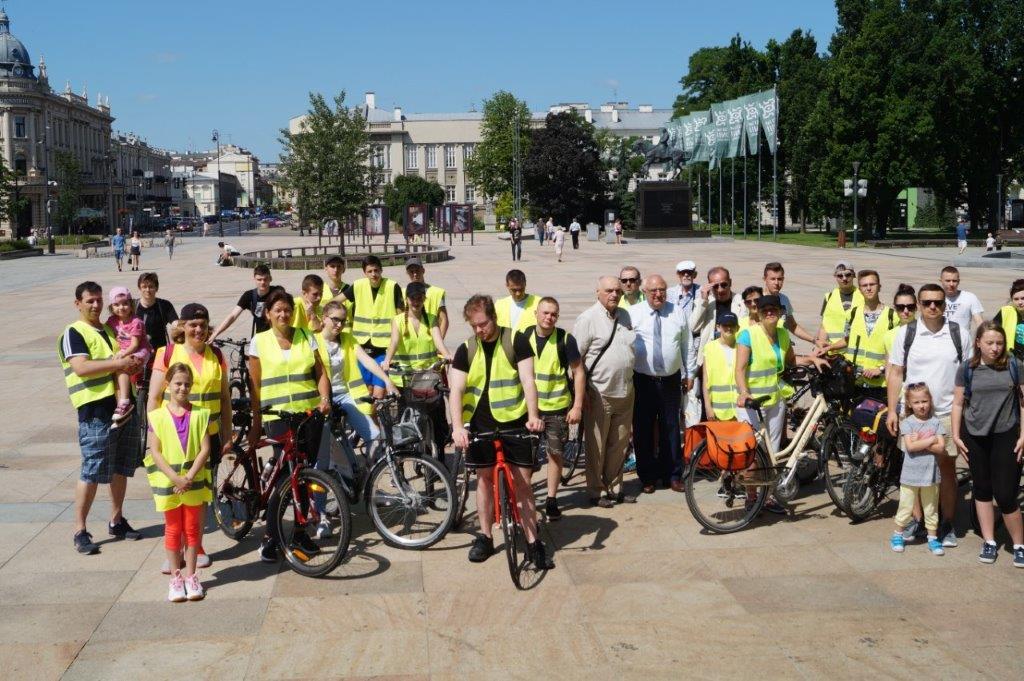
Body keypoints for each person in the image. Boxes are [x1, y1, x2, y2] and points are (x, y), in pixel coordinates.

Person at [448, 294, 553, 569]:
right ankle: (484, 536)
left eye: (483, 324)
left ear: (494, 317)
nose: (479, 330)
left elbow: (528, 380)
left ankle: (533, 541)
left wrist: (533, 416)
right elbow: (456, 390)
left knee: (523, 483)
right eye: (474, 326)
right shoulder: (466, 349)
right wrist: (458, 427)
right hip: (480, 424)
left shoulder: (515, 340)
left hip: (515, 421)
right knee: (483, 479)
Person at [59, 281, 145, 555]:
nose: (95, 305)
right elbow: (81, 367)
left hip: (123, 406)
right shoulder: (74, 332)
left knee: (121, 466)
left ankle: (117, 519)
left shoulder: (109, 328)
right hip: (94, 410)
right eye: (90, 301)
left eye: (98, 300)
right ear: (78, 304)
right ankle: (80, 530)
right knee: (92, 469)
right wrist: (120, 363)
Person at [247, 290, 332, 562]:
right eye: (278, 310)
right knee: (285, 477)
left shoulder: (307, 335)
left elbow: (320, 371)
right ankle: (271, 537)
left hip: (308, 416)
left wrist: (325, 398)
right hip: (277, 417)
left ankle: (299, 532)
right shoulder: (259, 342)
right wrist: (256, 422)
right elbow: (255, 386)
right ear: (268, 314)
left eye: (287, 310)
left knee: (304, 476)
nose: (283, 314)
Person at [886, 283, 972, 549]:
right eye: (926, 303)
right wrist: (892, 409)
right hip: (913, 417)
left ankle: (945, 523)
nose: (932, 306)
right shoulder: (907, 333)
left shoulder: (960, 334)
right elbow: (897, 372)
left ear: (945, 304)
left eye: (938, 302)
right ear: (919, 305)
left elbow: (969, 375)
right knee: (914, 470)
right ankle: (918, 521)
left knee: (946, 472)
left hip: (947, 415)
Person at [148, 303, 231, 574]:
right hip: (172, 436)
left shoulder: (216, 354)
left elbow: (225, 398)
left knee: (200, 491)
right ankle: (175, 548)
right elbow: (153, 398)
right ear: (182, 326)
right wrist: (153, 432)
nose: (198, 329)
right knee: (173, 491)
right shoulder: (167, 352)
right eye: (192, 324)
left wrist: (228, 433)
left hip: (208, 435)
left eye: (203, 324)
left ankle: (197, 546)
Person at [734, 295, 828, 513]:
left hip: (775, 401)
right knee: (752, 452)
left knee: (772, 451)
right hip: (752, 403)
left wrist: (813, 358)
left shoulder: (783, 334)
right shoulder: (748, 335)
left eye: (774, 309)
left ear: (780, 312)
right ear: (758, 312)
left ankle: (766, 497)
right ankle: (751, 496)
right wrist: (744, 392)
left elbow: (791, 362)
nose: (770, 313)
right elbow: (739, 369)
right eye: (765, 309)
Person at [951, 322, 1024, 566]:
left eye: (999, 343)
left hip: (1006, 435)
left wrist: (1023, 435)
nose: (995, 348)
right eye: (990, 343)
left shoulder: (1014, 366)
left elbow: (1023, 404)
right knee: (981, 489)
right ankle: (989, 541)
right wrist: (956, 434)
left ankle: (1019, 545)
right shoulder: (967, 369)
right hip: (975, 435)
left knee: (1006, 494)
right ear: (978, 343)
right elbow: (958, 403)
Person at [145, 362, 212, 601]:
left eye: (186, 384)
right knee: (173, 528)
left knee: (193, 528)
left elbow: (205, 449)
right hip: (169, 483)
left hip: (192, 482)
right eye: (177, 383)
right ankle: (176, 577)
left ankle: (192, 575)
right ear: (168, 385)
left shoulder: (201, 414)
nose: (182, 388)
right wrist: (175, 478)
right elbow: (155, 451)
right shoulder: (157, 416)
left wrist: (189, 476)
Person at [519, 297, 586, 519]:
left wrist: (577, 406)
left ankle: (551, 498)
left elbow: (578, 372)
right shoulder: (523, 337)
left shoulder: (565, 339)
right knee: (524, 458)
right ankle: (523, 499)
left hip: (557, 409)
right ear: (536, 314)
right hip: (528, 410)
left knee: (555, 455)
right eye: (545, 313)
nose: (549, 318)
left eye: (554, 314)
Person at [573, 276, 636, 504]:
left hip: (625, 391)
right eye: (609, 290)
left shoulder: (625, 315)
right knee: (597, 445)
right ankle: (596, 489)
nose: (614, 295)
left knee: (619, 444)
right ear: (597, 292)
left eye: (618, 291)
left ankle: (615, 486)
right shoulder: (587, 319)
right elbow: (576, 360)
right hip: (599, 393)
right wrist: (581, 395)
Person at [629, 274, 694, 494]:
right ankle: (647, 476)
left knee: (671, 427)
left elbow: (687, 345)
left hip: (670, 379)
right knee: (643, 428)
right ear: (644, 292)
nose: (659, 294)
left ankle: (672, 475)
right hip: (643, 380)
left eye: (663, 290)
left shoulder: (677, 312)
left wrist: (690, 373)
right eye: (654, 290)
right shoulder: (633, 313)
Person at [383, 282, 451, 457]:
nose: (416, 301)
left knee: (436, 421)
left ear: (424, 299)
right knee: (404, 423)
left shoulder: (430, 318)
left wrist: (447, 355)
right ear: (407, 300)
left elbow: (438, 341)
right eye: (413, 298)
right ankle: (401, 462)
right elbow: (394, 342)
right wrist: (387, 361)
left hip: (428, 377)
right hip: (406, 379)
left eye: (420, 297)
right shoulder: (398, 320)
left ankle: (440, 460)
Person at [820, 270, 898, 399]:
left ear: (879, 287)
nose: (868, 288)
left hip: (879, 385)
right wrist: (829, 347)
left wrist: (882, 369)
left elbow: (898, 352)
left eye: (872, 284)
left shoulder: (892, 316)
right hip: (854, 382)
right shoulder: (852, 313)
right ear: (860, 289)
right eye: (864, 285)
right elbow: (848, 339)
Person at [890, 383, 947, 556]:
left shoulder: (936, 422)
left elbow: (941, 448)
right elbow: (910, 447)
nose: (921, 405)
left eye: (924, 401)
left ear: (930, 401)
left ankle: (932, 538)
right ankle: (897, 535)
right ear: (909, 404)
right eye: (916, 402)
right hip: (910, 476)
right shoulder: (907, 423)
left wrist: (921, 442)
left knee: (931, 508)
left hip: (931, 475)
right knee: (905, 506)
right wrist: (930, 441)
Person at [689, 267, 747, 423]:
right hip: (710, 360)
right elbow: (693, 327)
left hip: (733, 358)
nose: (720, 290)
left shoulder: (740, 302)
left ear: (730, 283)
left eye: (724, 285)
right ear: (709, 286)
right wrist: (703, 301)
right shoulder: (706, 301)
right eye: (715, 286)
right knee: (707, 407)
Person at [350, 255, 404, 398]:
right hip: (362, 351)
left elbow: (401, 316)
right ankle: (374, 421)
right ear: (364, 272)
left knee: (379, 395)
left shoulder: (392, 286)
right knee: (366, 395)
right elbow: (337, 302)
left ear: (381, 270)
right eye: (370, 271)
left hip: (383, 351)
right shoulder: (358, 286)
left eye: (376, 270)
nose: (373, 274)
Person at [105, 286, 152, 426]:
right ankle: (121, 404)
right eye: (116, 304)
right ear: (111, 307)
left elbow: (135, 344)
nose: (121, 307)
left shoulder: (136, 322)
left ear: (131, 305)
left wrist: (123, 354)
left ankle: (124, 402)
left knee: (122, 365)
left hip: (140, 351)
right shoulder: (112, 321)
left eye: (125, 303)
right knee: (117, 369)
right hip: (125, 352)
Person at [210, 264, 284, 340]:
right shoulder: (249, 296)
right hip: (261, 338)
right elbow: (233, 315)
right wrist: (215, 333)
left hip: (279, 336)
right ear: (254, 279)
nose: (262, 282)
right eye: (259, 279)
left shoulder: (278, 292)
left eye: (265, 279)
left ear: (270, 279)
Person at [761, 262, 817, 344]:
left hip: (781, 348)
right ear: (765, 279)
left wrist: (814, 340)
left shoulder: (784, 300)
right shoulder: (756, 300)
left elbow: (793, 326)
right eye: (772, 279)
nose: (776, 283)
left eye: (779, 279)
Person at [814, 261, 864, 351]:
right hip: (832, 353)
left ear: (854, 275)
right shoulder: (829, 297)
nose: (844, 278)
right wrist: (820, 347)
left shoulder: (863, 296)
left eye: (848, 275)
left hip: (855, 352)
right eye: (840, 276)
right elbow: (824, 326)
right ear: (835, 277)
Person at [702, 311, 741, 421]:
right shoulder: (709, 348)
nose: (729, 328)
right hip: (719, 410)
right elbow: (706, 379)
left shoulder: (742, 347)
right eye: (725, 325)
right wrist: (708, 406)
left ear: (737, 328)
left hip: (740, 408)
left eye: (732, 325)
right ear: (718, 327)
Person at [134, 272, 178, 352]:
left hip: (159, 354)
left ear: (156, 288)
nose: (147, 290)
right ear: (139, 288)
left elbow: (176, 323)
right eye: (144, 287)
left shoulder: (164, 305)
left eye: (151, 287)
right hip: (136, 354)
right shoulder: (132, 306)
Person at [405, 257, 448, 337]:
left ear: (423, 271)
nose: (415, 274)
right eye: (411, 272)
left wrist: (439, 343)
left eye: (417, 270)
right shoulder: (404, 292)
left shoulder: (436, 292)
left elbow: (444, 319)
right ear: (407, 273)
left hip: (431, 339)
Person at [940, 266, 984, 333]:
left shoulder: (970, 297)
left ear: (959, 281)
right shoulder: (935, 298)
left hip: (963, 341)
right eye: (948, 281)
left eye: (954, 281)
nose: (951, 284)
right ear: (941, 281)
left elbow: (979, 322)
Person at [495, 269, 540, 333]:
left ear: (525, 284)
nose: (518, 293)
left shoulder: (539, 303)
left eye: (521, 289)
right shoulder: (499, 305)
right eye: (514, 290)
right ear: (507, 286)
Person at [993, 279, 1024, 361]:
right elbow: (990, 330)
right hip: (1012, 358)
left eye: (1023, 298)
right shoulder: (1006, 312)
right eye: (1016, 299)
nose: (1020, 302)